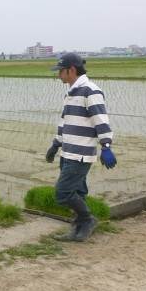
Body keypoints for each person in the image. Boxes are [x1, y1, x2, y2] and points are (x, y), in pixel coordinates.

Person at [45, 53, 117, 242]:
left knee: (63, 193)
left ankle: (88, 219)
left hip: (81, 154)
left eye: (61, 71)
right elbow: (65, 122)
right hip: (67, 151)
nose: (58, 75)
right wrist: (55, 144)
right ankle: (79, 230)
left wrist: (106, 146)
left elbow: (101, 121)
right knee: (78, 192)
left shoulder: (91, 91)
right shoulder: (70, 93)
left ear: (72, 70)